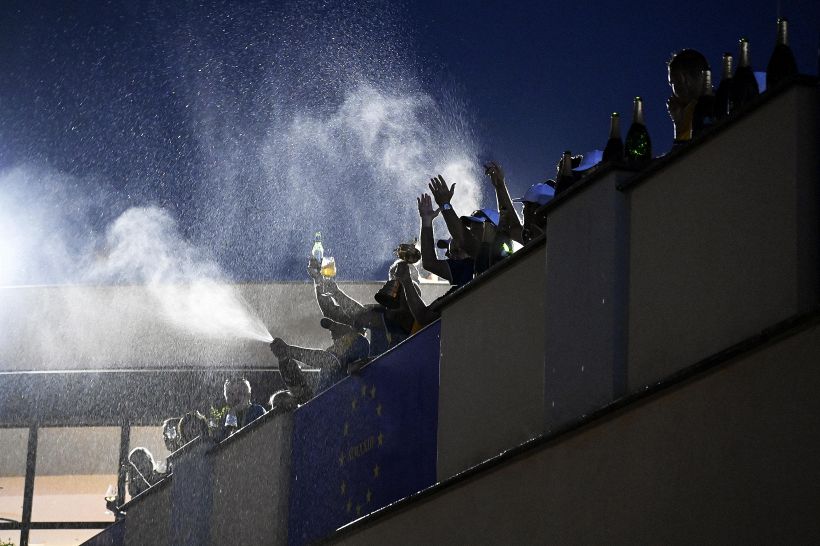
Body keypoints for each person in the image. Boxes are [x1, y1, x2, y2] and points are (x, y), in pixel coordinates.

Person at [416, 193, 474, 287]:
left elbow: (430, 263)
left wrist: (444, 204)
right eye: (448, 251)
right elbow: (429, 263)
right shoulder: (462, 269)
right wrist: (426, 220)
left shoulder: (471, 265)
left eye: (454, 251)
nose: (447, 255)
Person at [667, 49, 709, 145]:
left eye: (672, 83)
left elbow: (681, 155)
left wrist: (678, 124)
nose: (673, 93)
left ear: (683, 78)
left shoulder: (692, 111)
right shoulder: (723, 103)